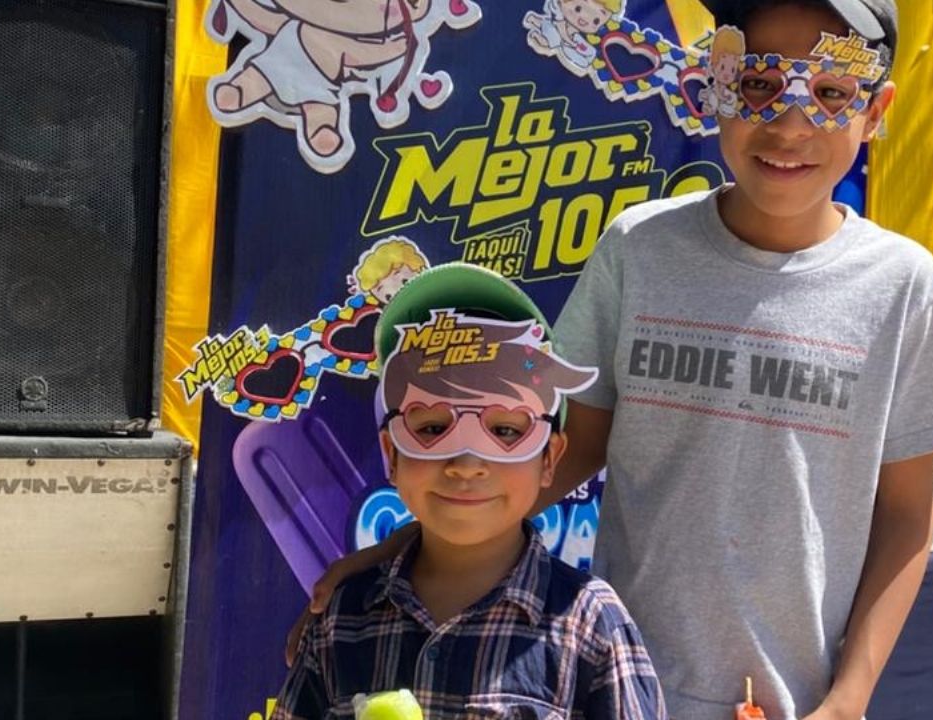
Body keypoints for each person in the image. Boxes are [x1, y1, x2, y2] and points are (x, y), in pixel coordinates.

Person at [294, 1, 933, 717]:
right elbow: (563, 447)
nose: (788, 125)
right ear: (717, 81)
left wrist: (849, 697)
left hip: (789, 701)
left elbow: (906, 515)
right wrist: (411, 549)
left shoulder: (904, 288)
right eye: (757, 83)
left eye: (831, 92)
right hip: (600, 681)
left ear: (875, 111)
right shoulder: (639, 249)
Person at [275, 263, 667, 719]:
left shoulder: (591, 624)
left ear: (550, 458)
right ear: (391, 453)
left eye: (505, 431)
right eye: (431, 428)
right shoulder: (343, 620)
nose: (466, 465)